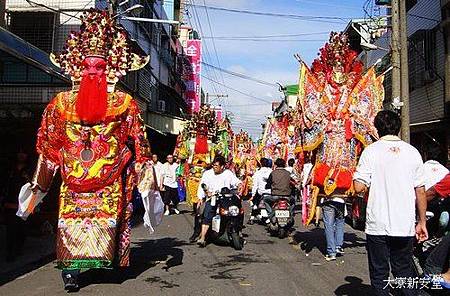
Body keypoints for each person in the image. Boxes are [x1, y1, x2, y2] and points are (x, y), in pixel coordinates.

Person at [19, 10, 152, 292]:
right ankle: (70, 271)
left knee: (107, 224)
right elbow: (50, 147)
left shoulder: (124, 103)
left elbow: (140, 145)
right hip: (73, 183)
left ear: (110, 70)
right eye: (88, 66)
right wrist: (37, 188)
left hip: (110, 181)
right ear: (79, 68)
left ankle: (104, 263)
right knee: (70, 226)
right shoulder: (60, 104)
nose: (93, 72)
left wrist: (147, 185)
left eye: (99, 67)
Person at [353, 110, 428, 296]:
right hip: (404, 224)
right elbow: (420, 190)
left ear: (377, 129)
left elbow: (358, 187)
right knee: (404, 271)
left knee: (380, 274)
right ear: (398, 128)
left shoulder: (370, 152)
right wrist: (422, 222)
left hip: (378, 224)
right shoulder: (413, 153)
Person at [196, 155, 241, 247]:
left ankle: (238, 231)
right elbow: (202, 185)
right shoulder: (207, 173)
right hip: (212, 198)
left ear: (222, 166)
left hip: (226, 199)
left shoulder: (228, 173)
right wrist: (201, 198)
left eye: (216, 166)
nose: (214, 167)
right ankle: (203, 237)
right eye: (213, 165)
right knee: (208, 215)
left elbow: (236, 181)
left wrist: (240, 185)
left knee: (236, 212)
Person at [1, 150, 31, 262]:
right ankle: (10, 252)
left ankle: (18, 248)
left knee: (21, 229)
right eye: (19, 152)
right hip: (10, 202)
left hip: (24, 204)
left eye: (24, 152)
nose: (22, 155)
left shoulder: (30, 169)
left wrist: (27, 177)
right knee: (10, 229)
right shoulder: (10, 170)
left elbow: (34, 185)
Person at [248, 158, 272, 224]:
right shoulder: (271, 171)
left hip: (261, 192)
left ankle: (252, 218)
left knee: (253, 203)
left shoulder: (257, 173)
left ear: (261, 163)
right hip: (271, 192)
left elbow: (255, 185)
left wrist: (253, 195)